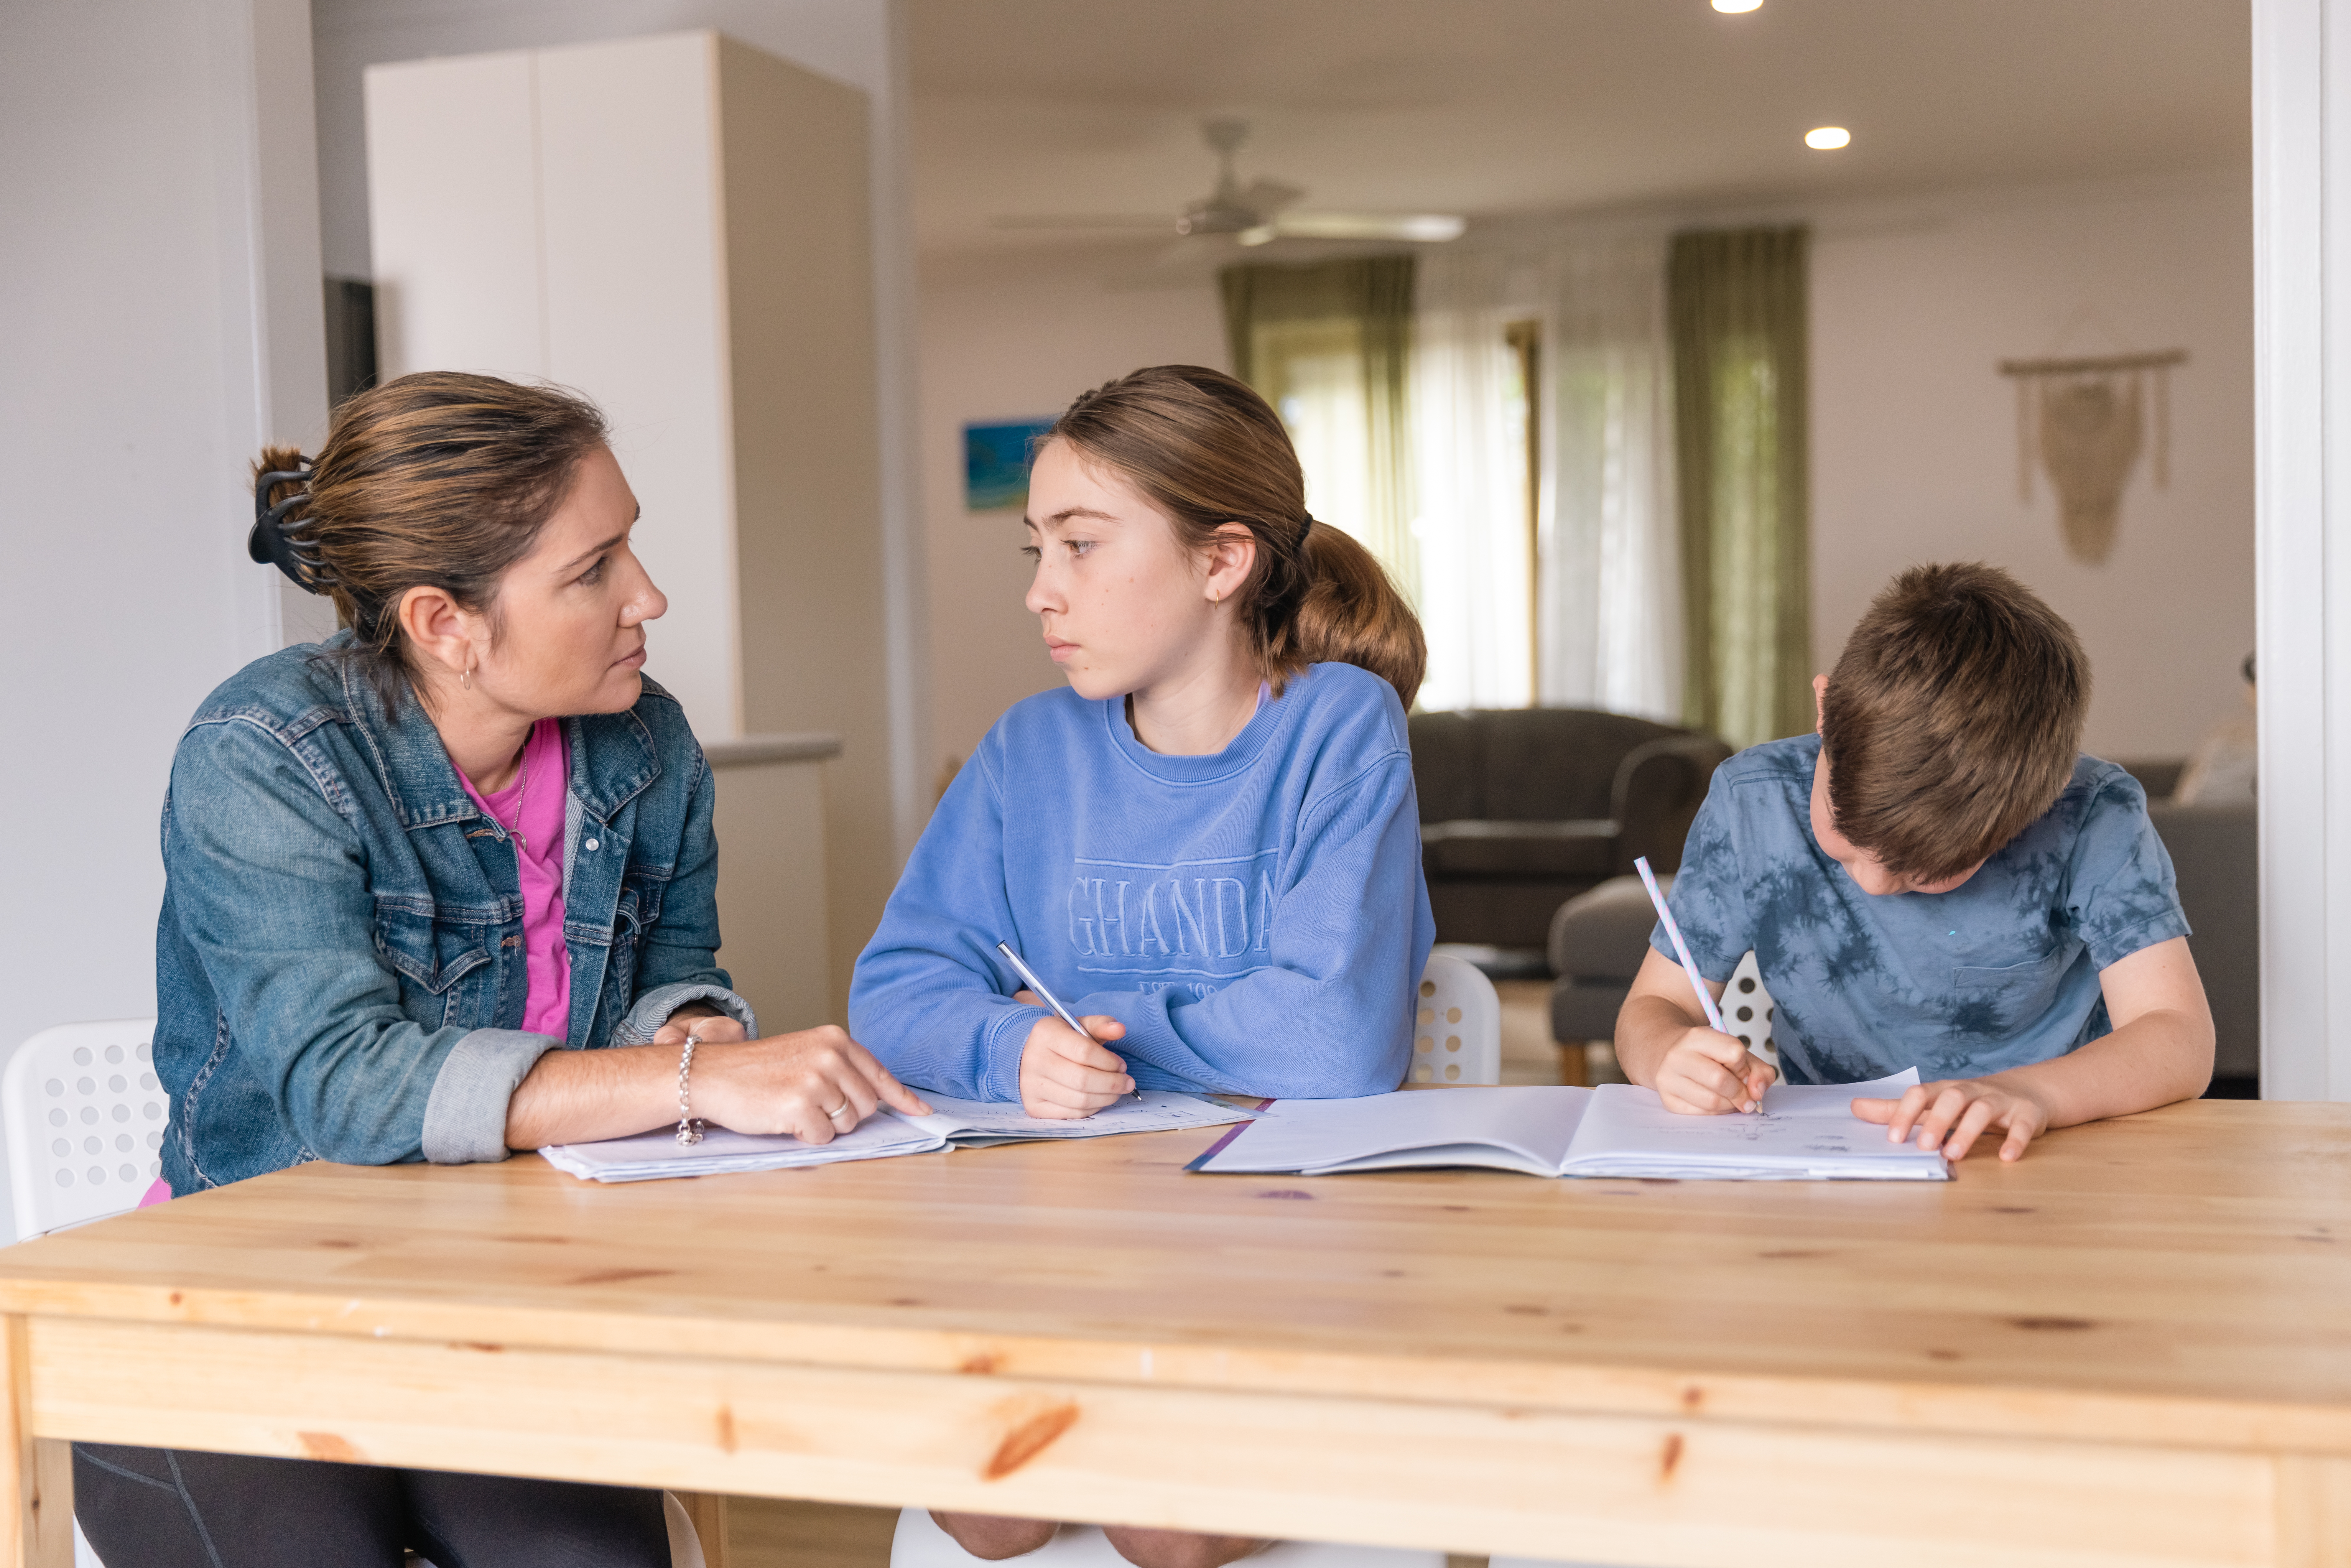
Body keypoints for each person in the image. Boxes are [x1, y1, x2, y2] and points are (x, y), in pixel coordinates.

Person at [86, 371, 928, 1568]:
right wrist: (689, 1081)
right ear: (445, 623)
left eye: (627, 546)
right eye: (592, 571)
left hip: (499, 1298)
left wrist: (697, 1035)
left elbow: (675, 970)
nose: (649, 595)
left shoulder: (647, 742)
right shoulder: (264, 756)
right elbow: (346, 1084)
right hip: (238, 1303)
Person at [848, 364, 1432, 1567]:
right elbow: (892, 991)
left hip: (1279, 1241)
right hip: (1061, 1249)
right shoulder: (1025, 750)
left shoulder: (1339, 727)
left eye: (1079, 546)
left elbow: (1336, 1038)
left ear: (1222, 562)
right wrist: (1012, 1043)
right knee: (988, 1506)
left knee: (1167, 1529)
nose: (1039, 594)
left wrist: (1095, 1027)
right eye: (1035, 550)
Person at [1613, 561, 2214, 1162]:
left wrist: (2031, 1092)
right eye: (1844, 833)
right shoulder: (1752, 801)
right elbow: (1651, 1008)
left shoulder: (2093, 814)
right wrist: (1665, 1052)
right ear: (1825, 709)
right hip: (1835, 1161)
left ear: (2032, 810)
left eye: (1925, 871)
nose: (1874, 883)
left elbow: (2179, 1035)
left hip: (2054, 1150)